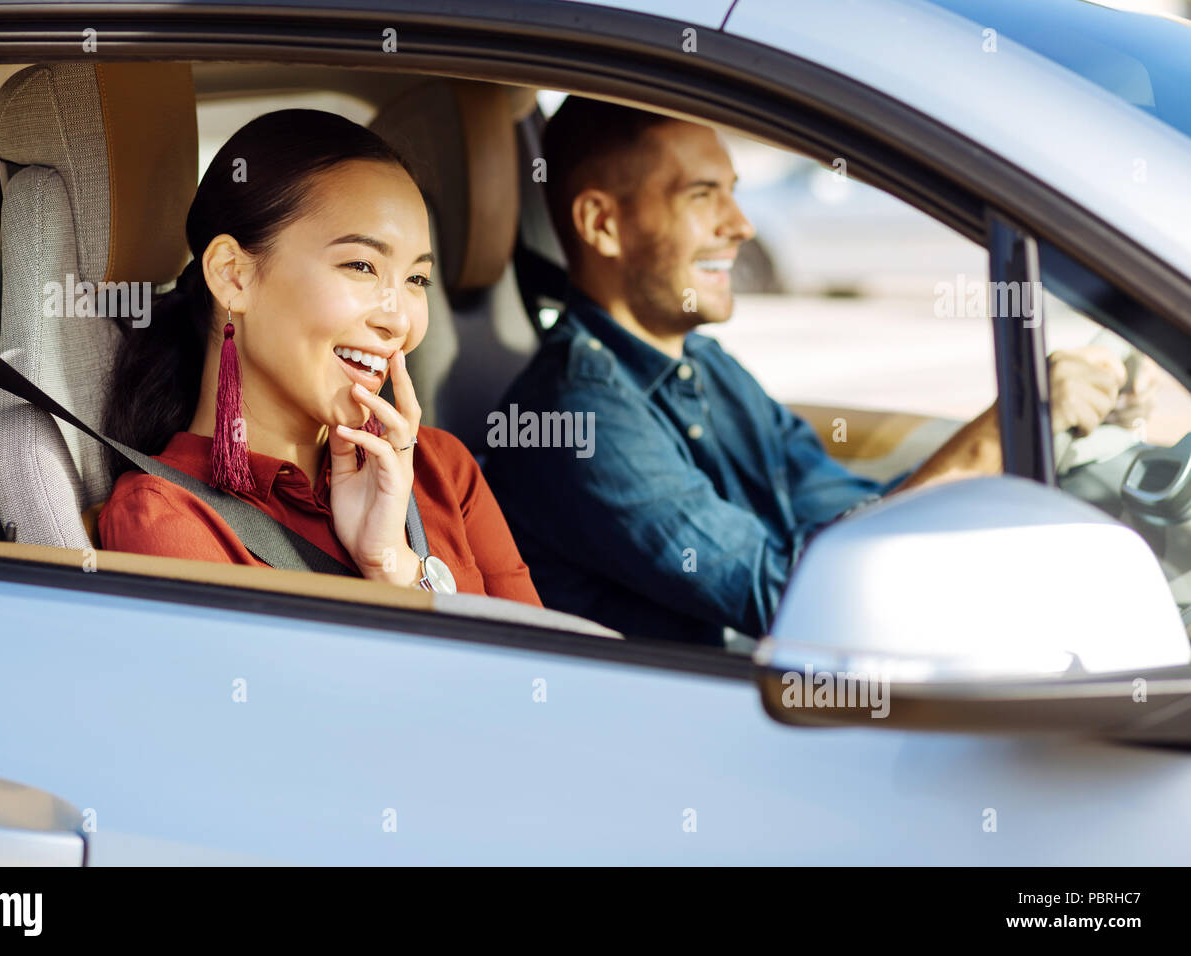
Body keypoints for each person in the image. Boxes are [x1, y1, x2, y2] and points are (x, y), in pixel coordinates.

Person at [485, 97, 1125, 643]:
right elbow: (794, 596)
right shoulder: (575, 420)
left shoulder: (706, 366)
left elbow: (852, 512)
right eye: (702, 195)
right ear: (602, 223)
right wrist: (1004, 430)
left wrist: (1020, 451)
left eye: (732, 191)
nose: (740, 226)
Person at [98, 109, 540, 604]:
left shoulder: (442, 471)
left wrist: (394, 565)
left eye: (416, 280)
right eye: (361, 265)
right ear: (232, 275)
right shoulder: (167, 519)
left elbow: (545, 678)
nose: (399, 321)